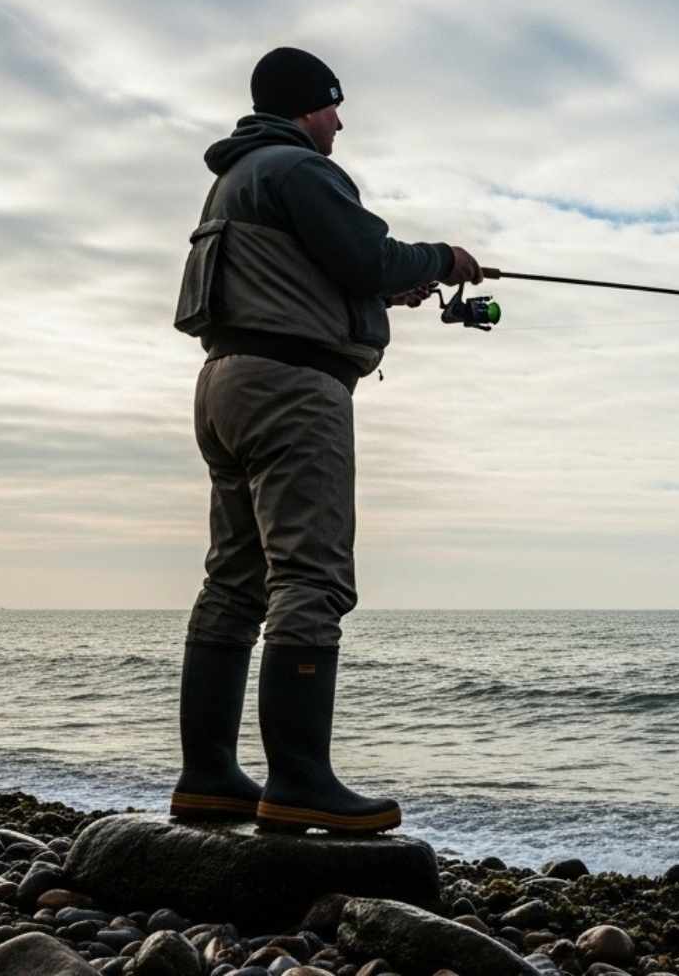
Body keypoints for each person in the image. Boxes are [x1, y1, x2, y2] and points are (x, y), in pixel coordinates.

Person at [168, 46, 482, 833]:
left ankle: (207, 777)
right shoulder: (300, 169)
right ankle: (299, 780)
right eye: (333, 107)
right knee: (310, 576)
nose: (339, 122)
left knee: (234, 580)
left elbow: (325, 272)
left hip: (225, 383)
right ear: (308, 106)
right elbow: (368, 255)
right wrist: (445, 259)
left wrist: (384, 291)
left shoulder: (235, 179)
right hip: (291, 391)